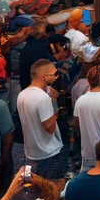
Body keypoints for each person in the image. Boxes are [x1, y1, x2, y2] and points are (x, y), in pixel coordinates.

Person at [18, 58, 67, 188]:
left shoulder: (22, 95)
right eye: (54, 74)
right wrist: (53, 102)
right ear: (42, 76)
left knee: (36, 192)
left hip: (31, 154)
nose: (56, 77)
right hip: (49, 154)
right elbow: (49, 128)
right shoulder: (43, 97)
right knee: (51, 192)